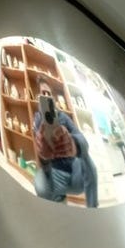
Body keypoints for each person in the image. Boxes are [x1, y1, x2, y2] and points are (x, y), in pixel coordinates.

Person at [33, 77, 98, 208]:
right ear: (38, 97)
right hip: (54, 174)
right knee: (39, 183)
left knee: (87, 158)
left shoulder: (63, 117)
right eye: (43, 93)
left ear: (53, 97)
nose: (46, 96)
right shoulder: (37, 121)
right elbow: (42, 158)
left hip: (74, 173)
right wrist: (44, 157)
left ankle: (93, 207)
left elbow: (83, 140)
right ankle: (59, 200)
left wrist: (74, 145)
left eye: (48, 93)